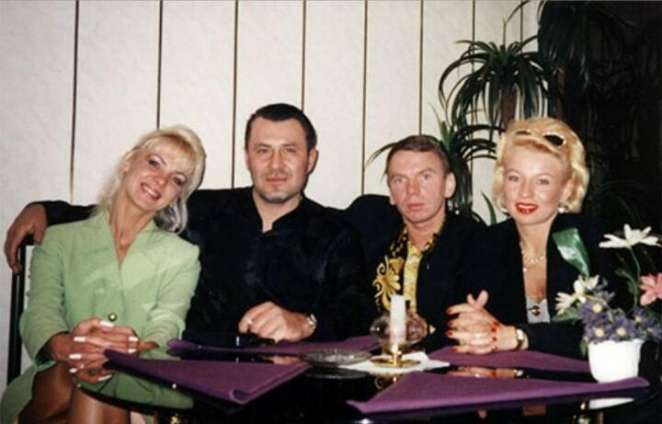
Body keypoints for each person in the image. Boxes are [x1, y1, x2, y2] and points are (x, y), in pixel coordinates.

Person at [4, 103, 372, 345]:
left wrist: (305, 323)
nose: (275, 165)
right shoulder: (204, 209)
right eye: (263, 150)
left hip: (292, 392)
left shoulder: (336, 232)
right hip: (198, 383)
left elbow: (359, 312)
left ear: (311, 159)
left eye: (289, 151)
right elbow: (132, 208)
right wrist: (47, 210)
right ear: (247, 157)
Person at [1, 126, 205, 423]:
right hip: (54, 383)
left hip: (138, 385)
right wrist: (69, 346)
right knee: (90, 372)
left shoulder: (182, 256)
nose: (161, 180)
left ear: (177, 196)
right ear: (128, 163)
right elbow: (40, 312)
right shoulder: (60, 240)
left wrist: (129, 351)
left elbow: (166, 326)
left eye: (177, 179)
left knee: (99, 377)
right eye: (154, 163)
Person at [446, 117, 598, 358]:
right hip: (509, 378)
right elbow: (462, 324)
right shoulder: (485, 244)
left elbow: (606, 332)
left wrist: (519, 337)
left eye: (542, 181)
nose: (525, 193)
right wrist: (471, 325)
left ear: (566, 189)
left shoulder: (590, 241)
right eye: (515, 178)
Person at [344, 135, 482, 349]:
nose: (412, 190)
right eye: (399, 180)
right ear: (391, 193)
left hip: (444, 362)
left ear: (449, 185)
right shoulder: (368, 225)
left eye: (425, 177)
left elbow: (478, 322)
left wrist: (429, 330)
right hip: (375, 361)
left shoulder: (476, 242)